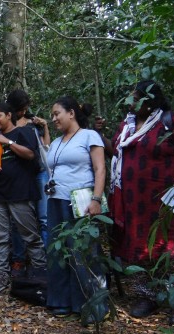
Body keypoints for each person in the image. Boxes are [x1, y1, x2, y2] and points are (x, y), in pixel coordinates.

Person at [97, 80, 174, 318]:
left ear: (149, 99)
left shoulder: (171, 122)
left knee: (173, 245)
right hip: (134, 202)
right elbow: (116, 150)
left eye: (136, 97)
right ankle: (146, 296)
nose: (131, 102)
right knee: (137, 247)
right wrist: (99, 134)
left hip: (167, 199)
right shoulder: (127, 126)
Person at [44, 96, 108, 319]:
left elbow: (100, 169)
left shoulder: (89, 135)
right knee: (58, 250)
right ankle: (61, 301)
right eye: (52, 115)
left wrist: (97, 200)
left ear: (71, 113)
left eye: (57, 114)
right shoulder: (56, 142)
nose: (54, 119)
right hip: (55, 201)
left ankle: (93, 306)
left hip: (81, 201)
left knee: (83, 252)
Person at [0, 102, 47, 293]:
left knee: (30, 236)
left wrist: (8, 142)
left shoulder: (23, 133)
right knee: (0, 237)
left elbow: (31, 155)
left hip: (20, 192)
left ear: (9, 115)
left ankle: (40, 273)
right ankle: (1, 274)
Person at [6, 89, 51, 277]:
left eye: (24, 109)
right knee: (18, 221)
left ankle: (47, 259)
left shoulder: (34, 123)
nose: (23, 112)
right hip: (20, 176)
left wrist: (46, 127)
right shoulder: (7, 125)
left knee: (43, 218)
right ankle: (19, 259)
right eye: (21, 109)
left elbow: (45, 147)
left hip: (39, 173)